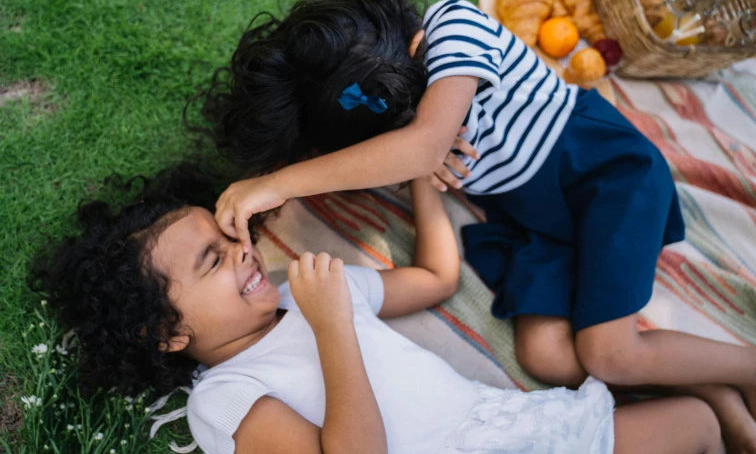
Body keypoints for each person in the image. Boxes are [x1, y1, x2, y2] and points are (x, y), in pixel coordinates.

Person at [200, 0, 756, 450]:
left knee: (609, 355)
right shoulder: (412, 126)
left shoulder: (454, 26)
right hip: (540, 221)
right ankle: (711, 387)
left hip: (605, 180)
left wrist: (279, 183)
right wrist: (419, 163)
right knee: (547, 356)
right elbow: (419, 153)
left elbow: (422, 145)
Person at [35, 165, 720, 454]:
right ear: (168, 331)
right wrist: (331, 324)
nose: (244, 251)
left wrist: (425, 183)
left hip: (505, 434)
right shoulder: (226, 398)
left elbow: (433, 278)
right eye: (213, 261)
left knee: (698, 420)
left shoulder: (310, 288)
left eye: (227, 238)